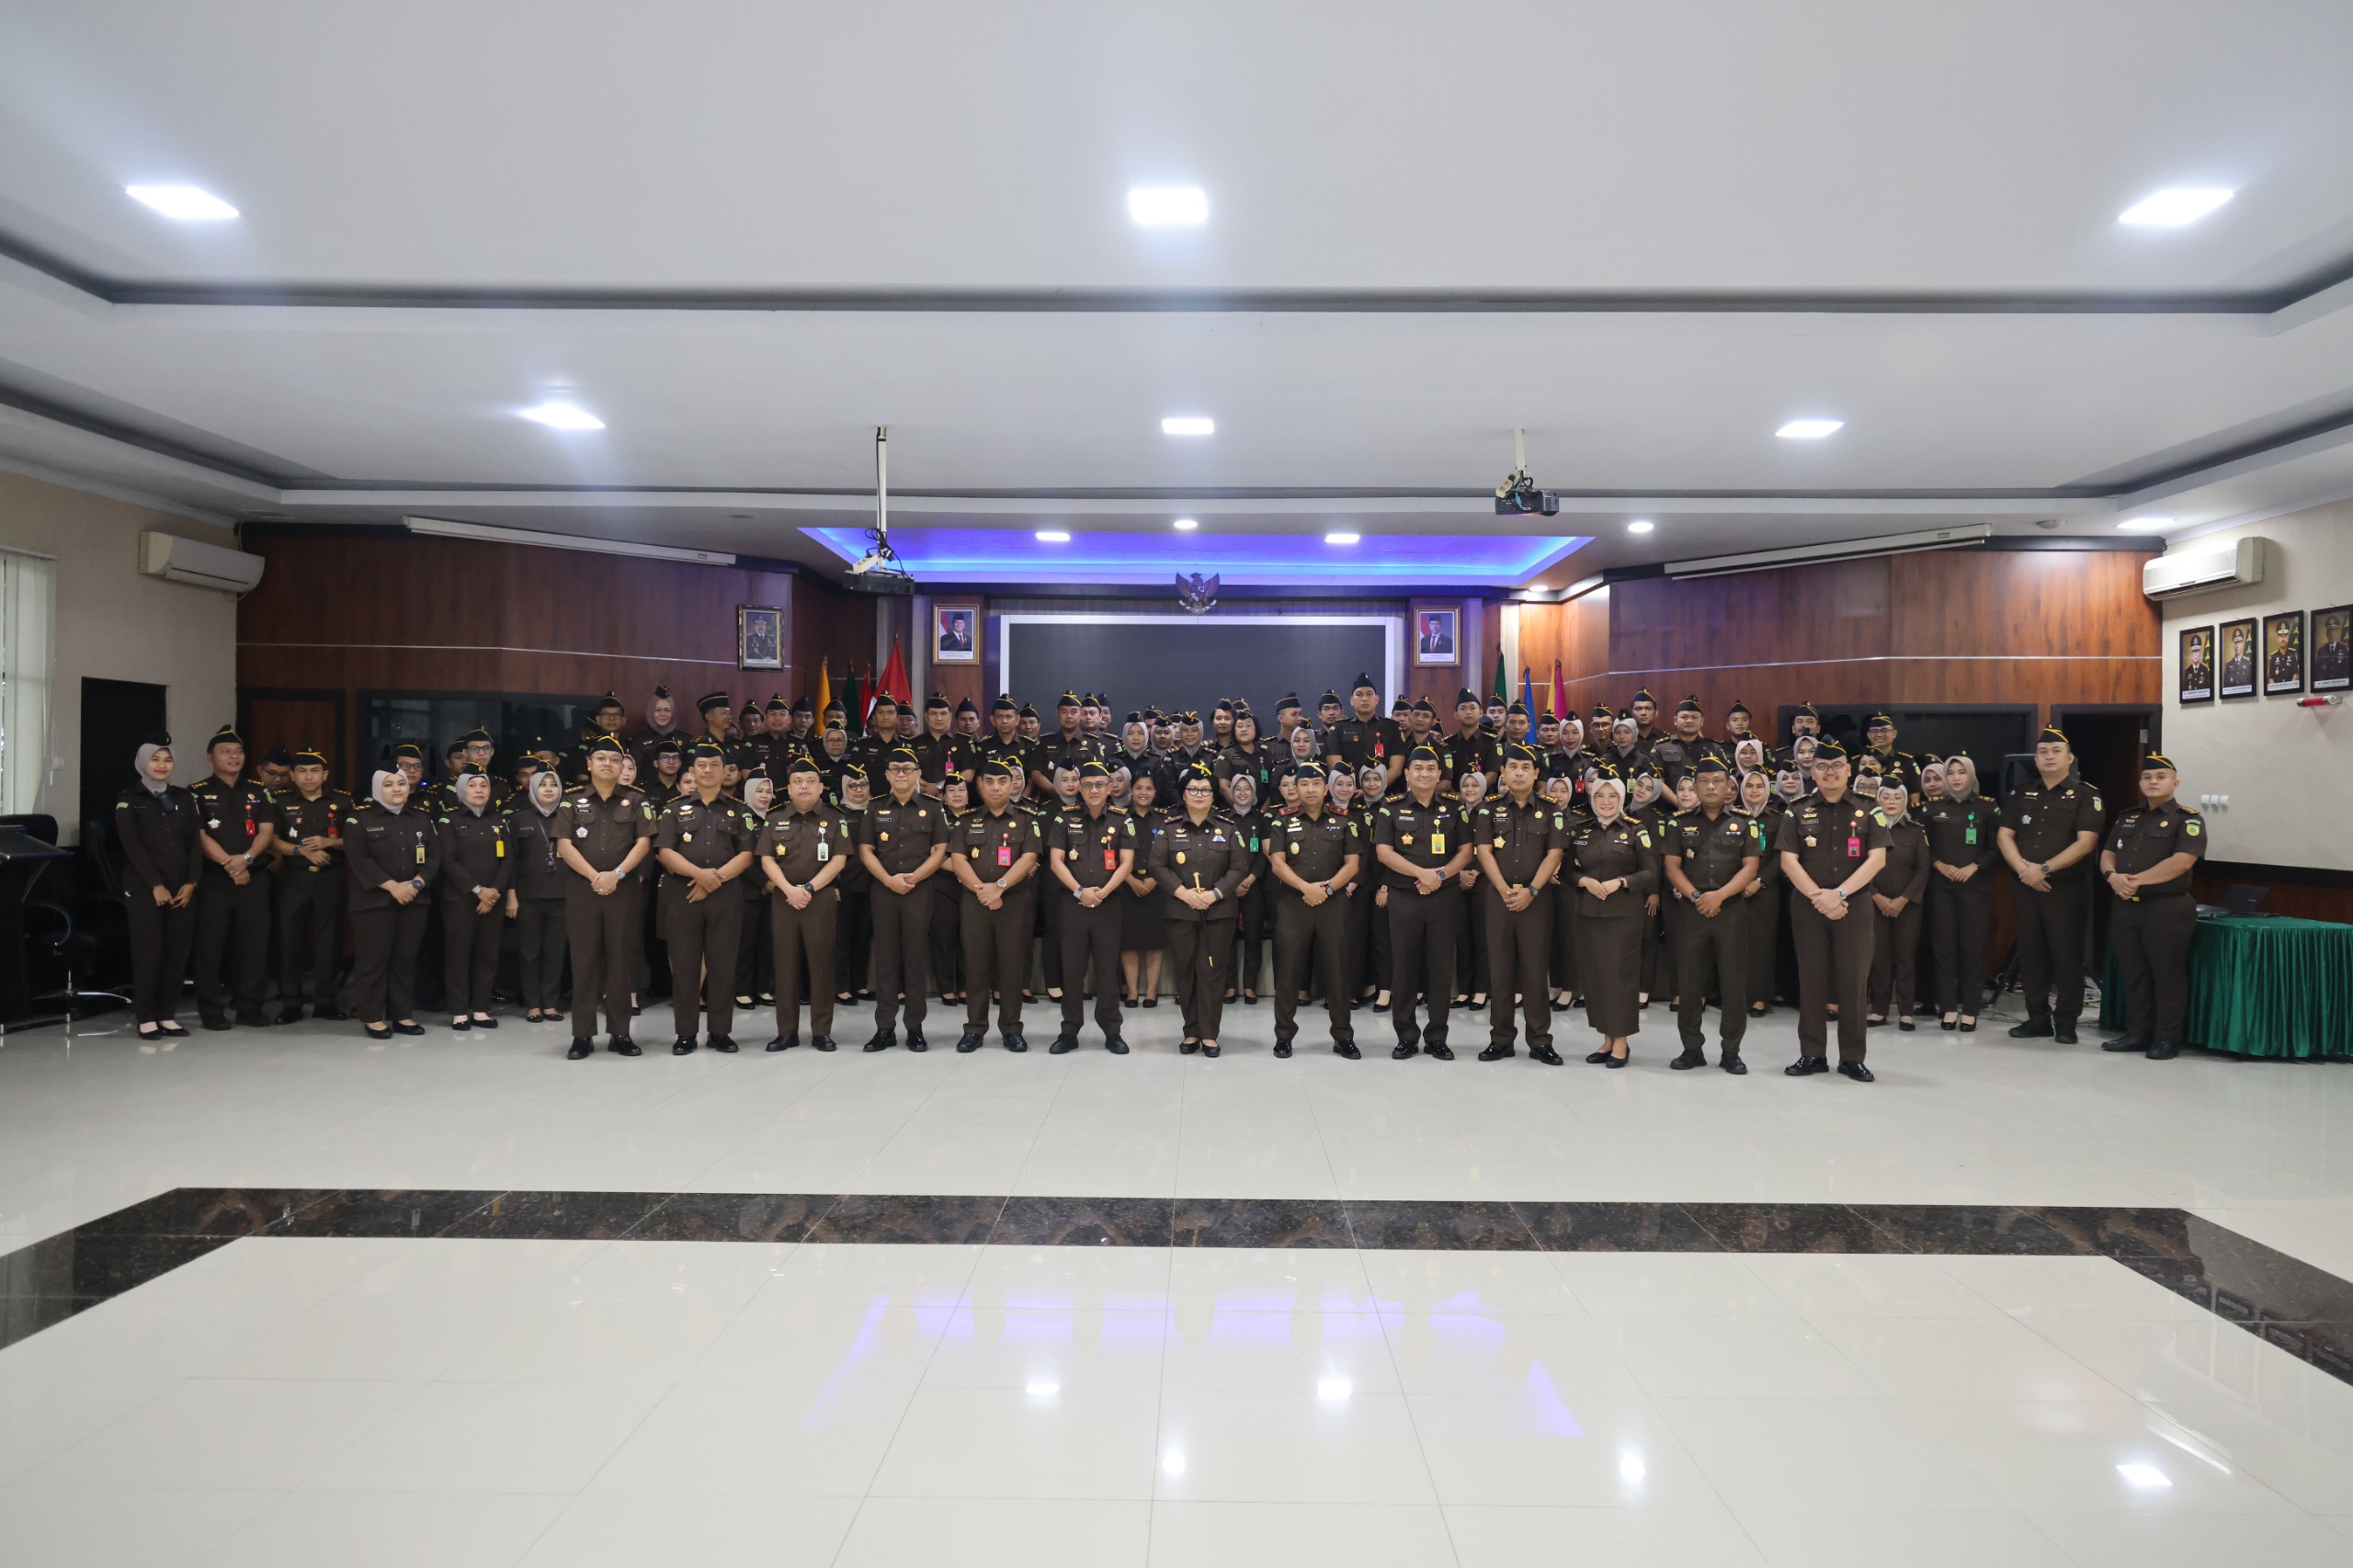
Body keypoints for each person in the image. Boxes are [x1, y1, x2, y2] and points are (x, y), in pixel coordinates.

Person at [1776, 741, 1892, 1080]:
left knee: (1853, 980)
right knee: (1811, 979)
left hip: (1854, 905)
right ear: (1813, 772)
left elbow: (1878, 859)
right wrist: (1820, 898)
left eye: (1837, 765)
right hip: (1808, 905)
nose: (1830, 772)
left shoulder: (1870, 809)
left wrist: (1838, 894)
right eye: (1823, 767)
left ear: (1848, 770)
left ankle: (1852, 1057)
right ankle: (1812, 1054)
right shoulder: (1796, 810)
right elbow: (1788, 861)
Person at [1997, 728, 2105, 1044]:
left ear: (2070, 759)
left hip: (2065, 889)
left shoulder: (2087, 795)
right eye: (2043, 752)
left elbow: (2086, 843)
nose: (2049, 757)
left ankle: (2067, 1022)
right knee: (2031, 954)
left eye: (2056, 751)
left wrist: (2043, 869)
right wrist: (2024, 870)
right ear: (2036, 759)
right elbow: (2004, 835)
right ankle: (2037, 1019)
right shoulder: (2021, 793)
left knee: (2067, 956)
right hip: (2025, 886)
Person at [2100, 755, 2206, 1061]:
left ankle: (2166, 1038)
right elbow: (2107, 853)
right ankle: (2138, 1033)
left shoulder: (2188, 819)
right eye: (2147, 777)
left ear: (2175, 783)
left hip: (2166, 909)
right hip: (2126, 907)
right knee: (2134, 973)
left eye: (2161, 777)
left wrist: (2136, 881)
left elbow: (2182, 862)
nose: (2153, 782)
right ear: (2140, 783)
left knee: (2167, 974)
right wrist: (2112, 877)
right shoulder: (2127, 817)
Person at [1661, 756, 1764, 1071]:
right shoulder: (1678, 822)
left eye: (1717, 781)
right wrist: (1696, 896)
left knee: (1733, 984)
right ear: (1694, 786)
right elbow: (1671, 866)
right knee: (1689, 984)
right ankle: (1691, 1048)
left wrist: (1720, 895)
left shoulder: (1746, 822)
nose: (1710, 787)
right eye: (1703, 781)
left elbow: (1751, 866)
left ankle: (1731, 1050)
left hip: (1730, 910)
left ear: (1728, 786)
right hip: (1691, 912)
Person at [654, 742, 757, 1054]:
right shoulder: (673, 809)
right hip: (683, 894)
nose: (708, 770)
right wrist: (699, 875)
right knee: (685, 967)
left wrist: (714, 880)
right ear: (692, 771)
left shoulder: (740, 810)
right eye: (702, 765)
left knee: (722, 965)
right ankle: (685, 1033)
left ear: (725, 771)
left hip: (725, 896)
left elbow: (746, 855)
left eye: (715, 765)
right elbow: (665, 852)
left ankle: (720, 1031)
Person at [1471, 742, 1569, 1064]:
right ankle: (1500, 1039)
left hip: (1536, 901)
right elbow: (1484, 851)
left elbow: (1555, 854)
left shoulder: (1552, 809)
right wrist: (1504, 890)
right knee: (1500, 970)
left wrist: (1532, 890)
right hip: (1498, 899)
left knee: (1534, 970)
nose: (1519, 773)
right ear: (1503, 771)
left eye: (1526, 767)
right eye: (1512, 766)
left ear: (1536, 773)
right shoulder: (1488, 808)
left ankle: (1540, 1040)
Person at [558, 734, 655, 1059]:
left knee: (620, 961)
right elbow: (564, 845)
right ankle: (582, 1035)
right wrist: (595, 876)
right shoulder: (571, 800)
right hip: (582, 890)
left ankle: (620, 1033)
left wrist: (617, 874)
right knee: (584, 961)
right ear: (589, 764)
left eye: (615, 760)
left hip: (622, 890)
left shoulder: (637, 800)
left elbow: (644, 843)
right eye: (601, 758)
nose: (608, 764)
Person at [1371, 744, 1471, 1060]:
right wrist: (1421, 874)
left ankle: (1437, 1036)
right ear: (1407, 774)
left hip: (1444, 898)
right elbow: (1383, 852)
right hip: (1404, 898)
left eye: (1430, 768)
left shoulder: (1455, 807)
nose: (1424, 773)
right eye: (1418, 768)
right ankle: (1406, 1035)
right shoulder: (1390, 807)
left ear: (1439, 774)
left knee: (1441, 968)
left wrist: (1439, 876)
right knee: (1404, 967)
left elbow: (1466, 851)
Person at [857, 745, 950, 1051]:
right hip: (884, 891)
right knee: (885, 959)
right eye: (895, 769)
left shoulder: (933, 808)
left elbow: (940, 851)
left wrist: (914, 878)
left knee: (914, 958)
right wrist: (888, 880)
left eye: (907, 769)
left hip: (918, 891)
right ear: (886, 775)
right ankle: (884, 1027)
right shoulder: (874, 807)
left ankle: (914, 1027)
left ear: (918, 774)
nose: (901, 774)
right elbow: (865, 851)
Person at [1153, 762, 1250, 1055]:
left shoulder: (1228, 828)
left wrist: (1214, 894)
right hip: (1180, 911)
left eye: (1205, 790)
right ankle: (1191, 1031)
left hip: (1218, 913)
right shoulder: (1169, 828)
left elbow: (1240, 866)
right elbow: (1156, 865)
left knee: (1212, 972)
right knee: (1185, 971)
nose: (1199, 795)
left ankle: (1209, 1034)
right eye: (1193, 790)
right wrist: (1184, 893)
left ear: (1213, 795)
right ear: (1184, 794)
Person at [947, 757, 1043, 1051]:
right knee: (976, 965)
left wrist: (999, 887)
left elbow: (1029, 858)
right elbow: (958, 859)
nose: (995, 788)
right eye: (989, 782)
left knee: (1011, 966)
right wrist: (983, 891)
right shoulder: (967, 820)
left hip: (1013, 902)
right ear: (980, 785)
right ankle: (975, 1028)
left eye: (1002, 781)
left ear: (1013, 784)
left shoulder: (1027, 819)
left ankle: (1011, 1028)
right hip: (975, 902)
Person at [186, 726, 278, 1030]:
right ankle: (211, 1010)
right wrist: (231, 865)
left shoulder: (259, 791)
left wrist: (246, 860)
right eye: (225, 752)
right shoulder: (195, 792)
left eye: (238, 752)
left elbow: (266, 832)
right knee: (209, 947)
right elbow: (199, 836)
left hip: (254, 877)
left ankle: (250, 1007)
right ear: (209, 757)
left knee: (255, 945)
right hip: (214, 879)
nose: (233, 757)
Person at [1267, 760, 1360, 1059]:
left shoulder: (1344, 819)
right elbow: (1277, 863)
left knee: (1338, 971)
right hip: (1294, 904)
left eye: (1316, 784)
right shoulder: (1282, 820)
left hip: (1334, 905)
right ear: (1295, 789)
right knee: (1288, 972)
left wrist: (1327, 890)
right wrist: (1306, 889)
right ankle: (1284, 1036)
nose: (1310, 789)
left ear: (1326, 788)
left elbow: (1353, 865)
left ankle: (1343, 1036)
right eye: (1304, 784)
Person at [760, 757, 853, 1052]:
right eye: (798, 782)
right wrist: (789, 889)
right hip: (784, 898)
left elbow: (839, 860)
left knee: (821, 964)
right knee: (785, 965)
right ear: (788, 788)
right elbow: (766, 859)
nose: (804, 786)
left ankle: (821, 1032)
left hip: (820, 898)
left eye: (811, 782)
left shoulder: (835, 818)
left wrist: (809, 888)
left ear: (821, 788)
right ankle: (786, 1032)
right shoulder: (774, 817)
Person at [343, 767, 440, 1040]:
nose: (397, 788)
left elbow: (434, 856)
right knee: (373, 960)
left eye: (401, 783)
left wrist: (417, 884)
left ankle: (402, 1014)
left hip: (414, 899)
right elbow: (359, 859)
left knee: (405, 960)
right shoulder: (359, 819)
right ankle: (373, 1017)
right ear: (377, 789)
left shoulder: (421, 817)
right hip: (373, 902)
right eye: (388, 784)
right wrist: (393, 887)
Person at [1568, 768, 1656, 1066]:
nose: (1606, 801)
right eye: (1600, 796)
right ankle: (1607, 1039)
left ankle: (1621, 1042)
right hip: (1587, 914)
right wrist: (1583, 881)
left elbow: (1651, 872)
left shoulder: (1635, 829)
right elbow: (1568, 869)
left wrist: (1621, 882)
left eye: (1613, 796)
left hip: (1622, 917)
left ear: (1621, 798)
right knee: (1595, 978)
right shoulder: (1580, 829)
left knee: (1619, 979)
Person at [116, 735, 200, 1040]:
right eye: (155, 760)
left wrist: (192, 882)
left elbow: (194, 843)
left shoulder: (184, 798)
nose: (162, 765)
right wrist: (156, 885)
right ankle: (146, 1017)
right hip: (145, 887)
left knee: (177, 953)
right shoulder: (129, 799)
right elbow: (133, 847)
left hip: (182, 887)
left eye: (167, 760)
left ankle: (167, 1015)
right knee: (148, 953)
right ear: (143, 763)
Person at [1048, 757, 1135, 1052]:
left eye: (1099, 784)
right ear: (1080, 789)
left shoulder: (1122, 819)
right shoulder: (1064, 818)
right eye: (1088, 785)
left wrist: (1103, 892)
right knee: (1072, 970)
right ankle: (1069, 1030)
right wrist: (1080, 892)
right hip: (1072, 906)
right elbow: (1056, 861)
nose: (1094, 790)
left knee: (1108, 970)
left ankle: (1112, 1030)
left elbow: (1127, 863)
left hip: (1108, 906)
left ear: (1110, 787)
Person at [267, 747, 349, 1022]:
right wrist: (301, 851)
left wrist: (329, 842)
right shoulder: (279, 801)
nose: (309, 776)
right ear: (292, 775)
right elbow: (270, 840)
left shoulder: (343, 801)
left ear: (325, 774)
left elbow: (357, 840)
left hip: (331, 878)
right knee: (289, 940)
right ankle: (291, 1001)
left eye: (315, 771)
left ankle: (326, 1001)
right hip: (293, 878)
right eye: (302, 771)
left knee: (329, 940)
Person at [1921, 756, 1998, 1031]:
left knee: (1972, 950)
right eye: (1950, 773)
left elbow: (1996, 848)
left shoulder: (1987, 807)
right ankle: (1949, 1008)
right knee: (1944, 949)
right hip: (1941, 888)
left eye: (1961, 772)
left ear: (1971, 776)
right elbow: (1922, 846)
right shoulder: (1932, 808)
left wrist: (1974, 867)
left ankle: (1971, 1009)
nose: (1955, 778)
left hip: (1974, 888)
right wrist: (1939, 864)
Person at [437, 767, 512, 1032]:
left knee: (487, 955)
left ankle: (481, 1009)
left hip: (493, 899)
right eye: (472, 785)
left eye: (483, 785)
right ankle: (459, 1011)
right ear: (461, 790)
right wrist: (478, 890)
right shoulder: (449, 820)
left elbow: (508, 860)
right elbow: (448, 861)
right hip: (460, 900)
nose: (479, 790)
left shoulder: (498, 820)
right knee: (458, 956)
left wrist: (494, 892)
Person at [505, 767, 572, 1024]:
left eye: (553, 784)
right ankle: (533, 1004)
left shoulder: (569, 816)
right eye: (542, 785)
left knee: (555, 952)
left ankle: (551, 1004)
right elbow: (511, 860)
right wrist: (511, 894)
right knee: (529, 953)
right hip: (528, 896)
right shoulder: (518, 818)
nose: (548, 789)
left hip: (562, 895)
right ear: (532, 789)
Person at [1864, 778, 1929, 1032]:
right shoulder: (1868, 828)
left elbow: (1922, 870)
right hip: (1875, 903)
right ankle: (1879, 1010)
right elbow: (1859, 866)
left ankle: (1906, 1012)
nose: (1891, 802)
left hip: (1908, 905)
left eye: (1897, 797)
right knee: (1879, 958)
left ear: (1905, 801)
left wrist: (1902, 900)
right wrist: (1877, 897)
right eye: (1886, 797)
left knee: (1905, 958)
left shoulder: (1915, 831)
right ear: (1877, 800)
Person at [1736, 767, 1786, 1018]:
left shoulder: (1777, 819)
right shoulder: (1733, 817)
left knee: (1762, 945)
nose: (1754, 791)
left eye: (1759, 786)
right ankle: (1736, 995)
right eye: (1749, 786)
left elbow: (1781, 856)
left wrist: (1760, 881)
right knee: (1736, 945)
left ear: (1767, 789)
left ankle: (1759, 997)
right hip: (1735, 890)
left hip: (1765, 892)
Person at [1117, 770, 1168, 1012]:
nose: (1143, 792)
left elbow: (1171, 855)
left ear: (1155, 792)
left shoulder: (1164, 820)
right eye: (1138, 788)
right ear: (1130, 791)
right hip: (1127, 886)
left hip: (1157, 886)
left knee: (1154, 942)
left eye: (1148, 788)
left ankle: (1151, 991)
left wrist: (1154, 879)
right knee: (1129, 942)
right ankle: (1133, 991)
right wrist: (1130, 880)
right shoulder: (1120, 818)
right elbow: (1112, 854)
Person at [1222, 774, 1271, 1004]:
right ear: (1231, 792)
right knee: (1227, 938)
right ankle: (1230, 986)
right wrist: (1232, 883)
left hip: (1254, 886)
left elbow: (1263, 854)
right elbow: (1219, 855)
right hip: (1227, 888)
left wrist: (1249, 879)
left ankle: (1250, 985)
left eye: (1247, 789)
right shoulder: (1222, 819)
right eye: (1238, 789)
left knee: (1253, 937)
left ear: (1253, 793)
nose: (1242, 793)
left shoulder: (1261, 819)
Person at [734, 767, 777, 1008]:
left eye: (768, 791)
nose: (764, 796)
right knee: (745, 943)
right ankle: (742, 989)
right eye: (759, 791)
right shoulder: (741, 816)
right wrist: (765, 882)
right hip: (747, 891)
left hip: (773, 892)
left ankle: (764, 988)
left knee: (767, 943)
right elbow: (742, 858)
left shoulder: (775, 817)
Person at [930, 774, 972, 1006]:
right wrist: (963, 870)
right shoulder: (937, 818)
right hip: (943, 885)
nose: (957, 794)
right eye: (952, 791)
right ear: (944, 797)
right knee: (943, 938)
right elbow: (933, 853)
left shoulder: (976, 818)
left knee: (968, 939)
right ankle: (946, 988)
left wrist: (968, 875)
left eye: (961, 790)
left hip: (970, 887)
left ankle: (965, 986)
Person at [1327, 674, 1406, 789]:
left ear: (1377, 699)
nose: (1364, 698)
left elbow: (1396, 769)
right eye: (1359, 694)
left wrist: (1373, 790)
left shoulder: (1392, 728)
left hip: (1383, 795)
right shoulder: (1339, 729)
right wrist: (1349, 789)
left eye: (1369, 694)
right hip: (1348, 793)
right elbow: (1335, 767)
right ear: (1351, 700)